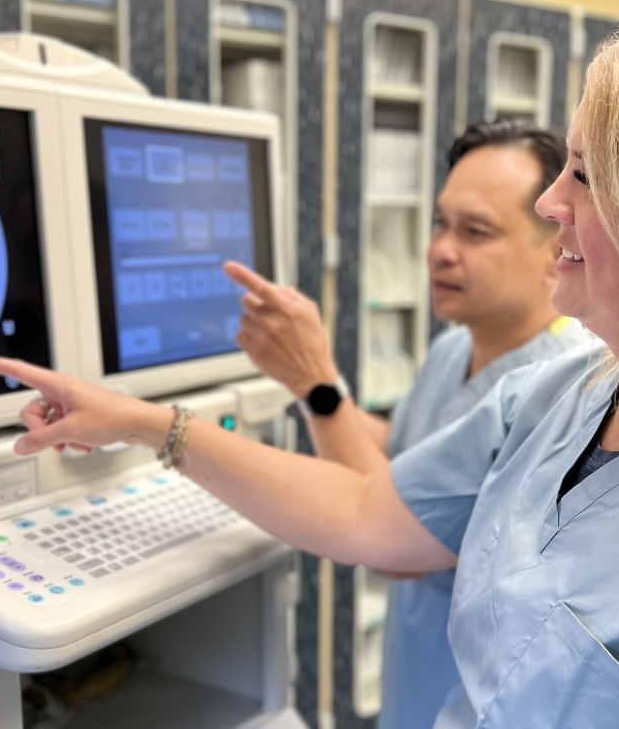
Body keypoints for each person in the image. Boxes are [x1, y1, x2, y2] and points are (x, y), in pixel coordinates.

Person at [0, 0, 619, 728]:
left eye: (584, 176)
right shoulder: (553, 399)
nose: (551, 204)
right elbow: (366, 511)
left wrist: (317, 390)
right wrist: (142, 422)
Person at [224, 118, 590, 729]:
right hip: (414, 679)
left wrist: (318, 387)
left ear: (555, 251)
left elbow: (392, 538)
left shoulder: (562, 393)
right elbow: (407, 456)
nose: (441, 249)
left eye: (475, 231)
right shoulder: (456, 347)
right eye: (440, 223)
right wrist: (312, 385)